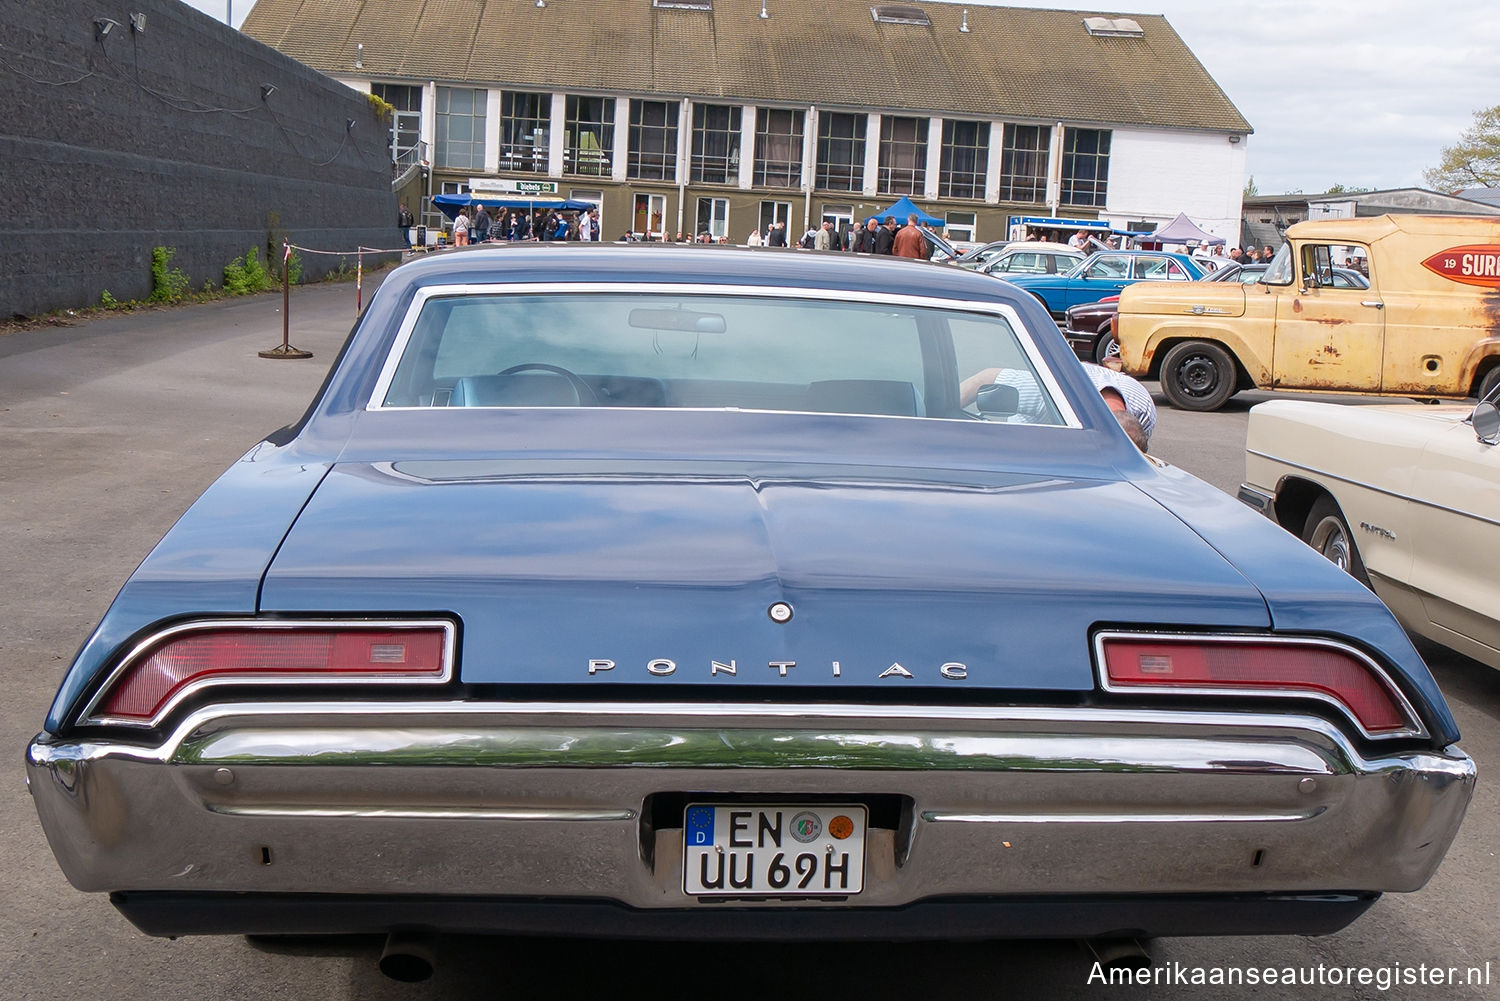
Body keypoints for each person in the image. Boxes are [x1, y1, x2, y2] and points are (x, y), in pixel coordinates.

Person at [959, 362, 1156, 452]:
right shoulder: (1052, 394)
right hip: (1024, 443)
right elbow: (985, 378)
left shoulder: (1144, 411)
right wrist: (939, 406)